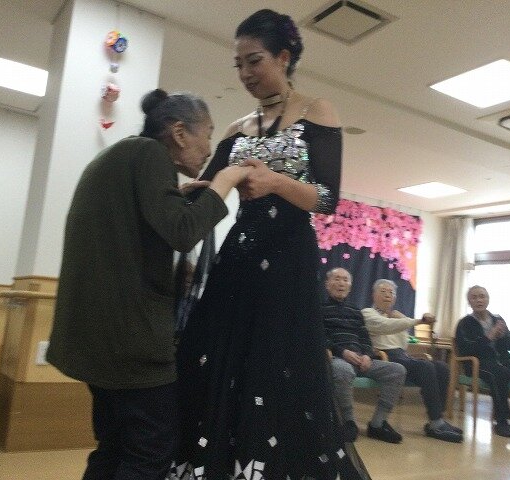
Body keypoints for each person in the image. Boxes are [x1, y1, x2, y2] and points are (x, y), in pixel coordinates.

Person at [173, 9, 370, 480]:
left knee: (277, 363)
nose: (245, 74)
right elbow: (209, 186)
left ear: (283, 57)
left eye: (254, 61)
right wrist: (182, 188)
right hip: (238, 257)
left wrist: (277, 182)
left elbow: (327, 198)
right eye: (238, 64)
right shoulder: (236, 128)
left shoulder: (317, 110)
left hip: (288, 259)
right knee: (222, 357)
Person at [46, 89, 250, 480]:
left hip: (97, 338)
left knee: (112, 448)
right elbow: (182, 231)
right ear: (179, 133)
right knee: (150, 453)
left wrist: (178, 197)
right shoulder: (150, 154)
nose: (210, 148)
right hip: (130, 344)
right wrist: (224, 181)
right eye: (207, 134)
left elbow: (131, 233)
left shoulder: (120, 155)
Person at [362, 279, 463, 443]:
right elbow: (385, 326)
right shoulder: (367, 313)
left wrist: (401, 318)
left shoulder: (396, 317)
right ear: (373, 295)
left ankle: (438, 419)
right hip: (385, 357)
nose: (388, 295)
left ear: (395, 298)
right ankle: (436, 423)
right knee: (425, 367)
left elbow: (403, 344)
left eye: (391, 293)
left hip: (402, 355)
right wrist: (417, 321)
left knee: (442, 367)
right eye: (383, 291)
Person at [323, 268, 406, 444]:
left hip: (362, 360)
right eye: (336, 279)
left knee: (397, 370)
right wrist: (343, 352)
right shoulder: (319, 309)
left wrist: (368, 355)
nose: (341, 283)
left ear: (350, 286)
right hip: (337, 358)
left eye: (345, 280)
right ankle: (348, 422)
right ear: (327, 284)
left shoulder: (355, 311)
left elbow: (365, 338)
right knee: (343, 370)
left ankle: (378, 424)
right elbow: (321, 338)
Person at [456, 285, 510, 439]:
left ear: (488, 299)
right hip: (478, 363)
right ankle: (502, 421)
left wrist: (503, 336)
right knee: (500, 373)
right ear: (469, 302)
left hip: (502, 362)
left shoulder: (497, 320)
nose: (479, 300)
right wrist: (488, 337)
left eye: (482, 296)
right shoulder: (465, 323)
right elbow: (466, 349)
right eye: (474, 297)